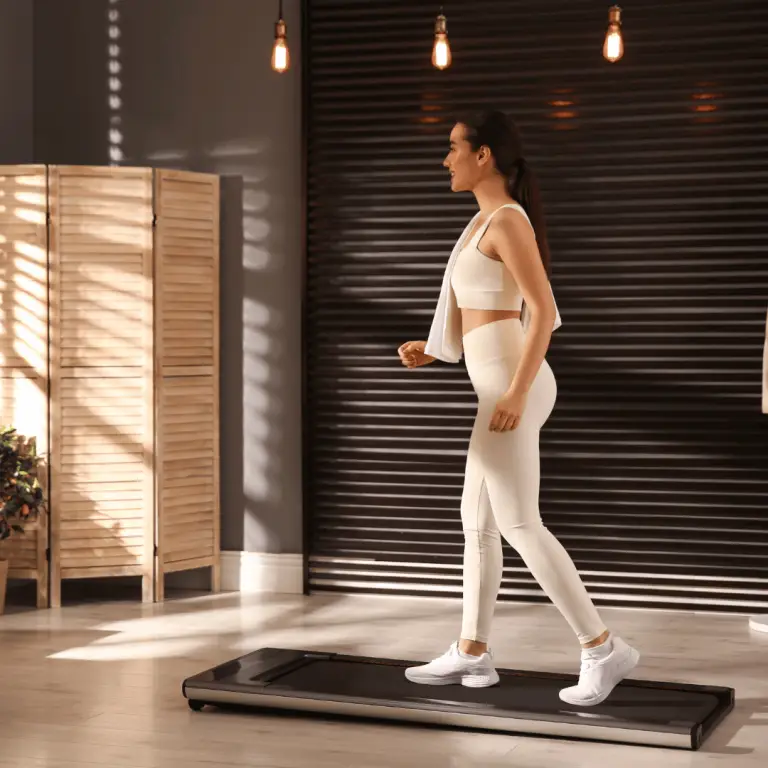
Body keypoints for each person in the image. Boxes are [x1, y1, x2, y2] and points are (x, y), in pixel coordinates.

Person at [396, 110, 640, 707]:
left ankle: (603, 648)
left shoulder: (506, 221)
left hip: (510, 381)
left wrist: (515, 392)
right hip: (496, 378)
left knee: (518, 523)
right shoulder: (484, 222)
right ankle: (473, 655)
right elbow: (484, 308)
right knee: (476, 523)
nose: (445, 158)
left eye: (454, 147)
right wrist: (432, 351)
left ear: (485, 156)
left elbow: (543, 312)